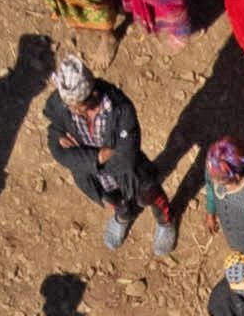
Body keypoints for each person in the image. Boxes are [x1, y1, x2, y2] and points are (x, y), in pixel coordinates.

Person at [43, 52, 180, 254]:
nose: (71, 111)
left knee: (148, 193)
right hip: (94, 177)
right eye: (68, 106)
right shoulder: (64, 102)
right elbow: (55, 141)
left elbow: (126, 159)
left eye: (76, 107)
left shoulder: (120, 110)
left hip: (128, 172)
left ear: (91, 96)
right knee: (114, 201)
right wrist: (96, 158)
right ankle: (123, 217)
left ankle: (166, 221)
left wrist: (79, 157)